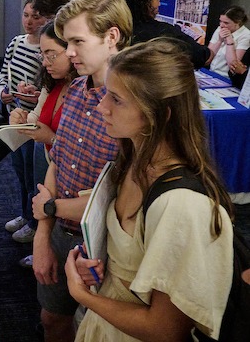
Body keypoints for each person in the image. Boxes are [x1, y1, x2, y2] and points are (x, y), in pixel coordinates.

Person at [64, 40, 234, 341]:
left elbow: (166, 329)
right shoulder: (133, 159)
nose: (102, 107)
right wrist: (96, 266)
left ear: (161, 114)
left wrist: (83, 294)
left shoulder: (181, 206)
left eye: (116, 100)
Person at [30, 0, 133, 342]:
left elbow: (123, 198)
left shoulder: (136, 107)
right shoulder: (73, 90)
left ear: (112, 37)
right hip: (63, 233)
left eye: (77, 41)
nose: (69, 52)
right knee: (52, 319)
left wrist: (47, 208)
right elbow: (56, 164)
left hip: (110, 249)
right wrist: (43, 236)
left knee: (102, 331)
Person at [9, 21, 78, 267]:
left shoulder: (82, 91)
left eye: (51, 55)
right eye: (43, 55)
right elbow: (36, 119)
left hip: (70, 179)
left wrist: (50, 138)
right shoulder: (53, 84)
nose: (45, 62)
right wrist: (21, 119)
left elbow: (80, 151)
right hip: (50, 165)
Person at [0, 0, 47, 243]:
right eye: (26, 15)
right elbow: (3, 75)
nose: (29, 21)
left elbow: (50, 90)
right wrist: (3, 93)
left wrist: (36, 95)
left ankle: (34, 221)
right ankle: (25, 214)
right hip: (15, 117)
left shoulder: (47, 51)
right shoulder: (16, 43)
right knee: (19, 169)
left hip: (34, 122)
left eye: (36, 16)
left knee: (32, 174)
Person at [117, 0, 210, 69]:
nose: (159, 4)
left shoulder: (115, 27)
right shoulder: (166, 32)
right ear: (146, 2)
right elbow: (204, 56)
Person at [207, 5, 250, 79]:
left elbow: (233, 65)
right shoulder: (220, 29)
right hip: (211, 72)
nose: (221, 25)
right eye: (220, 21)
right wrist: (220, 41)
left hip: (226, 77)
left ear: (237, 22)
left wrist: (229, 42)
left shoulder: (246, 35)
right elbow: (207, 56)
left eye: (226, 23)